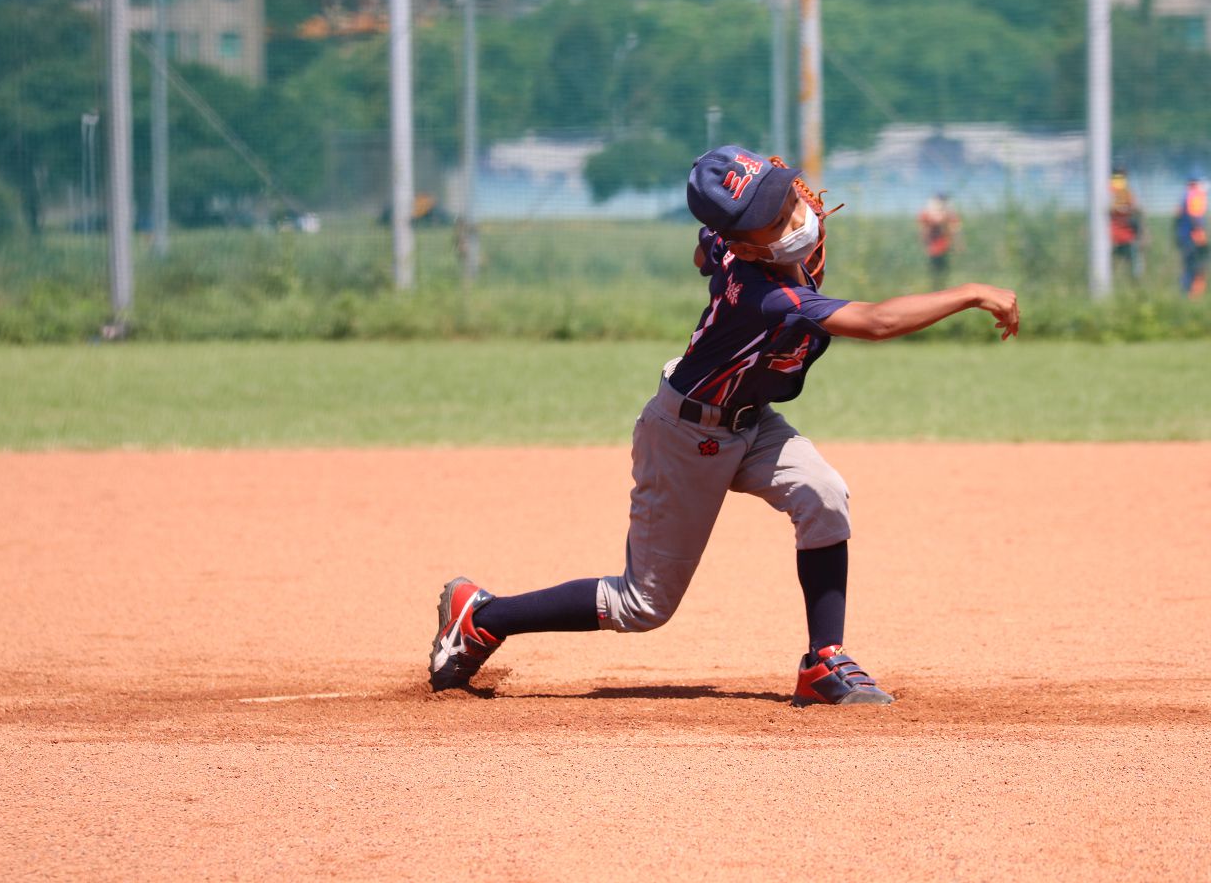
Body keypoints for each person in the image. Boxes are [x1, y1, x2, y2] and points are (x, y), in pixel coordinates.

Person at [429, 146, 1020, 707]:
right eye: (774, 220)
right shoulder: (769, 295)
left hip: (751, 420)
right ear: (747, 245)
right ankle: (482, 616)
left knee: (822, 494)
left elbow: (705, 249)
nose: (795, 217)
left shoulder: (736, 245)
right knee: (643, 605)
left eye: (786, 197)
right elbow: (876, 321)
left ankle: (824, 662)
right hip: (686, 434)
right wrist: (971, 292)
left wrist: (727, 234)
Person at [1174, 172, 1211, 297]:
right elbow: (1194, 216)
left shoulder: (1184, 197)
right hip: (1193, 238)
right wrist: (1200, 235)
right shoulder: (1194, 196)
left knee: (1188, 266)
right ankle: (1193, 294)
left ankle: (1185, 292)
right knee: (1197, 266)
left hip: (1184, 237)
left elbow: (1177, 218)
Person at [917, 192, 961, 288]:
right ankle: (937, 286)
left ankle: (942, 285)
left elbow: (954, 230)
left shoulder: (949, 214)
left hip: (945, 246)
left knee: (943, 269)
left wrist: (957, 244)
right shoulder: (927, 213)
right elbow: (924, 230)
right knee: (935, 269)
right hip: (933, 247)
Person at [1108, 168, 1144, 282]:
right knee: (1133, 265)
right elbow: (1136, 210)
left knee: (1112, 264)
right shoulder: (1121, 192)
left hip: (1117, 236)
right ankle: (1134, 283)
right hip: (1120, 237)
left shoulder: (1112, 191)